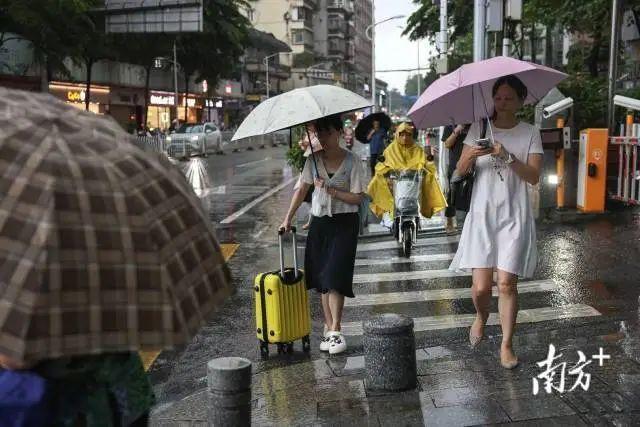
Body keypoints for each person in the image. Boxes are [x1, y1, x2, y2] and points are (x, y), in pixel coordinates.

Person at [449, 75, 544, 370]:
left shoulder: (530, 132)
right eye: (498, 97)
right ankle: (480, 316)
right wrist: (473, 154)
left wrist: (507, 156)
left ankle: (506, 343)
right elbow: (460, 170)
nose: (502, 103)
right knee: (480, 289)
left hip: (514, 215)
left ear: (520, 100)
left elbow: (534, 176)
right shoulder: (479, 128)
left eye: (508, 98)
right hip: (482, 215)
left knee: (506, 284)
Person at [280, 114, 366, 355]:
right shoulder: (313, 161)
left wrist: (332, 191)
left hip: (344, 224)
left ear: (339, 132)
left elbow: (358, 198)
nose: (323, 138)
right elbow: (301, 190)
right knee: (322, 281)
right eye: (319, 134)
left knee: (335, 276)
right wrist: (287, 218)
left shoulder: (353, 161)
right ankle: (329, 329)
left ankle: (337, 330)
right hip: (320, 224)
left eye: (327, 133)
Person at [367, 122, 447, 224]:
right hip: (396, 182)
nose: (405, 138)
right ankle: (387, 211)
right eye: (402, 134)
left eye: (408, 134)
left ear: (411, 135)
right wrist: (384, 170)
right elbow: (383, 164)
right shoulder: (390, 149)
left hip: (413, 182)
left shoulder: (417, 149)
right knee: (376, 182)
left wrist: (429, 166)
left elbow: (426, 163)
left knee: (430, 181)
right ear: (397, 135)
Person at [442, 124, 470, 233]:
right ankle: (449, 221)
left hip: (473, 163)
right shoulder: (450, 125)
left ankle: (466, 222)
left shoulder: (476, 123)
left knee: (469, 193)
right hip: (455, 165)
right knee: (452, 195)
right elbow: (447, 144)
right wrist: (457, 130)